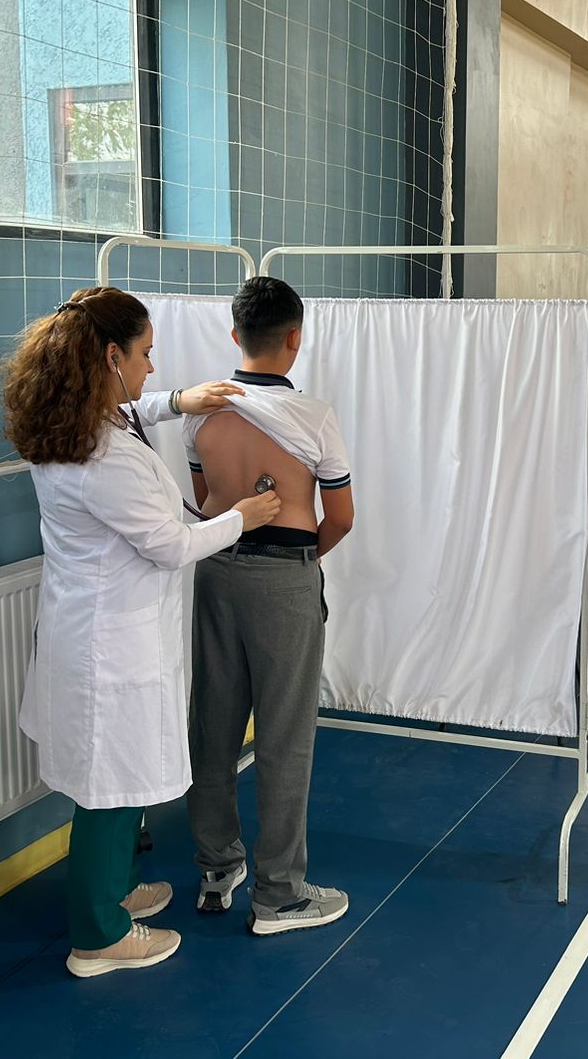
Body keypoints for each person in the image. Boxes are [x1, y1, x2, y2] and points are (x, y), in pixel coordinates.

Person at [1, 287, 282, 978]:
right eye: (146, 354)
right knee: (109, 788)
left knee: (116, 777)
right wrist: (248, 514)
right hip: (109, 645)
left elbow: (130, 412)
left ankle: (116, 892)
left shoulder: (66, 423)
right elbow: (171, 545)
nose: (152, 369)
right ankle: (97, 936)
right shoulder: (104, 459)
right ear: (109, 356)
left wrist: (181, 402)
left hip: (88, 626)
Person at [184, 277, 357, 936]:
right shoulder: (313, 416)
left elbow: (206, 503)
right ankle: (279, 893)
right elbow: (339, 518)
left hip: (215, 571)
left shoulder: (201, 413)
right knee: (285, 737)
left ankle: (215, 867)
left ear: (235, 336)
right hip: (284, 574)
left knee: (214, 726)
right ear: (295, 338)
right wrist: (298, 560)